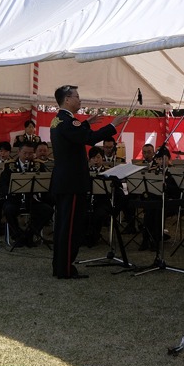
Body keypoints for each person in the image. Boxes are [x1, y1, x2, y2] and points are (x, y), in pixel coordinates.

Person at [50, 85, 128, 279]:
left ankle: (60, 266)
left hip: (63, 181)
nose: (80, 99)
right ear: (67, 100)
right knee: (70, 227)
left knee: (62, 225)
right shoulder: (68, 121)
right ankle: (66, 269)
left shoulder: (59, 120)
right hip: (72, 182)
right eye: (76, 96)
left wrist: (86, 123)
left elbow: (74, 136)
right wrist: (113, 125)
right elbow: (89, 139)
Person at [0, 141, 53, 248]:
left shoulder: (38, 165)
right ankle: (18, 234)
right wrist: (11, 192)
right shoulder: (9, 166)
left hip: (32, 200)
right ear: (19, 152)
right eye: (25, 153)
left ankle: (30, 234)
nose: (28, 156)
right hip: (15, 200)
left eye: (30, 153)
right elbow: (3, 185)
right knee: (8, 210)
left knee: (48, 210)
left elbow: (45, 184)